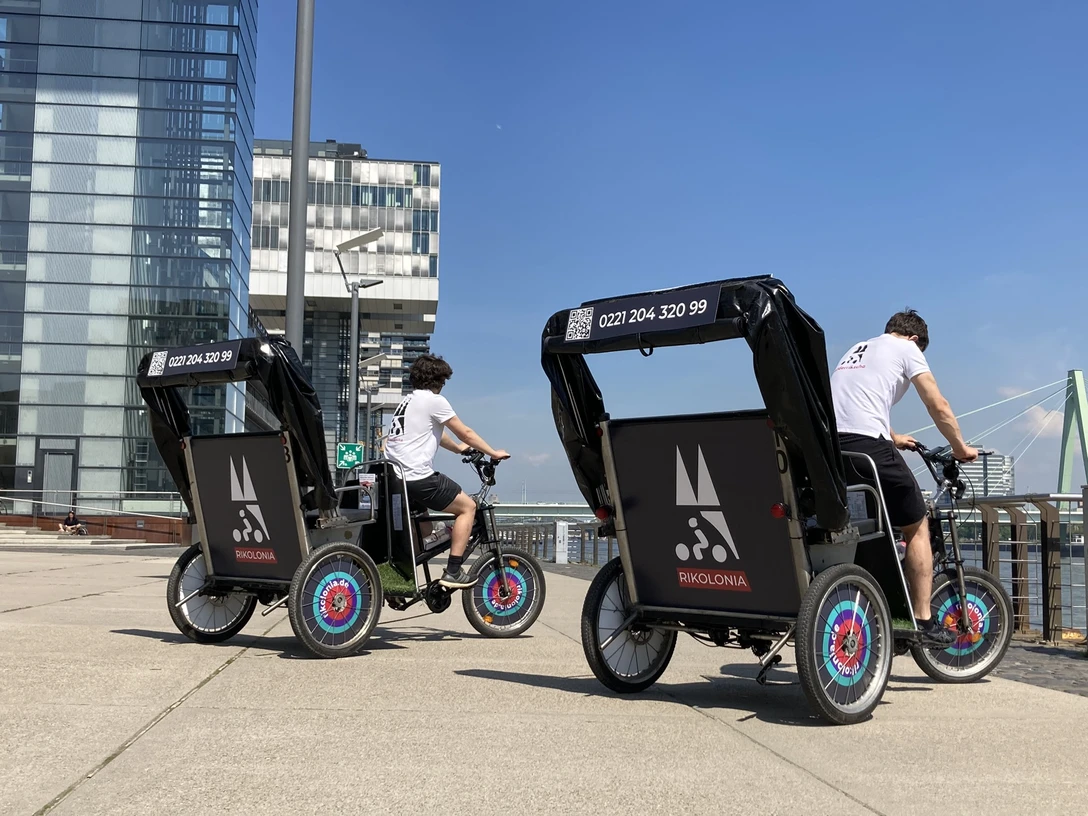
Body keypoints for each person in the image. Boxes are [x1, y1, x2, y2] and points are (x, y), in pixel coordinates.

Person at [831, 309, 977, 648]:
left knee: (870, 525)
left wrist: (893, 435)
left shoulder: (858, 348)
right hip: (867, 446)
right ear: (914, 339)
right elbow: (937, 404)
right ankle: (923, 622)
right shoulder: (907, 348)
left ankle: (878, 602)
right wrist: (961, 447)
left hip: (833, 448)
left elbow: (851, 402)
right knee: (917, 526)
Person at [384, 354, 510, 589]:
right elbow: (466, 432)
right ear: (437, 380)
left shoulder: (408, 402)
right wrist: (492, 452)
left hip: (395, 478)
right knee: (468, 507)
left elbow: (437, 434)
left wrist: (461, 450)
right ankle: (453, 570)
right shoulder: (434, 401)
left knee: (425, 528)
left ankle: (404, 579)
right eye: (443, 380)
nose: (443, 386)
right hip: (416, 476)